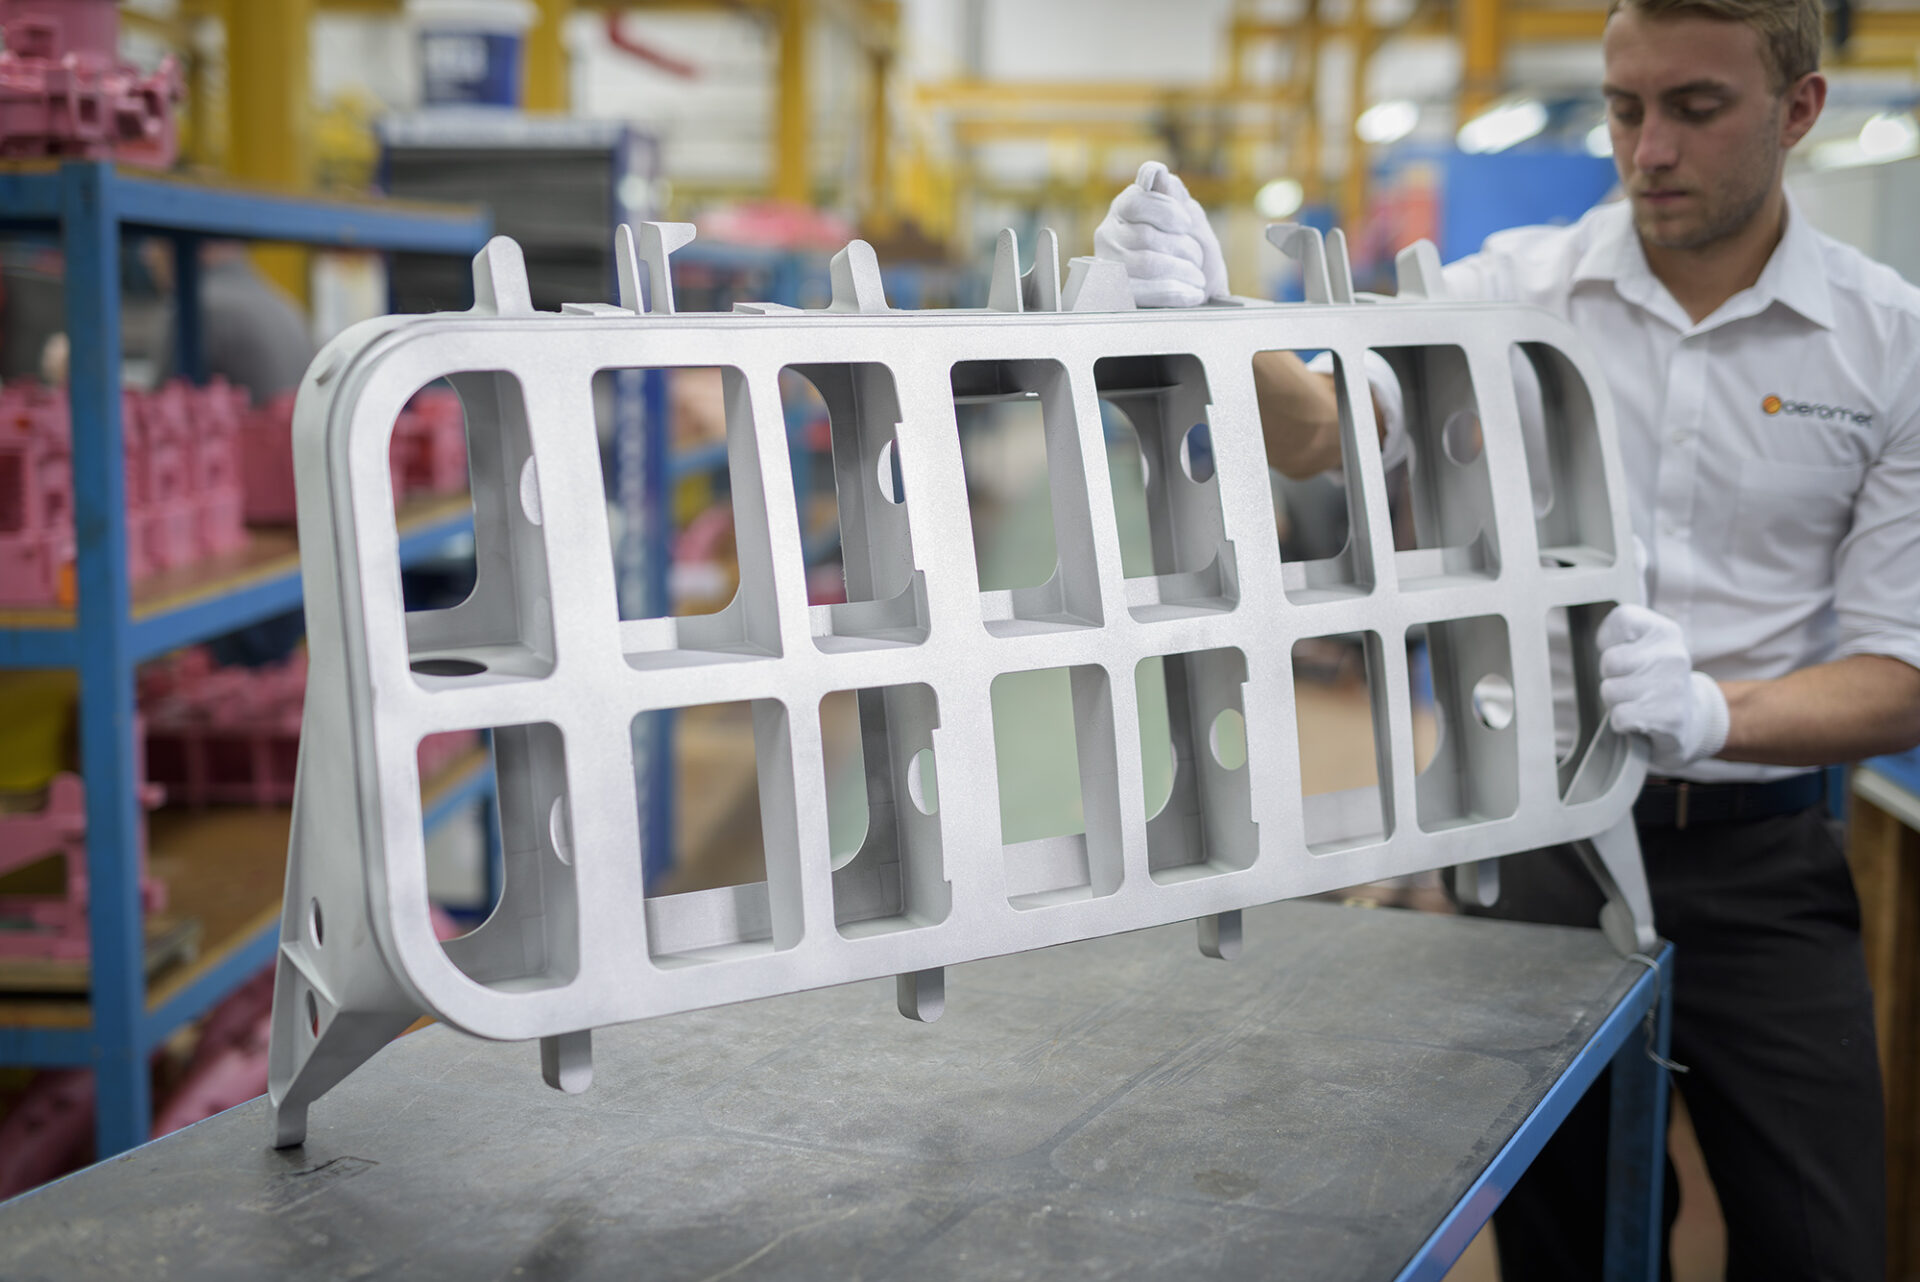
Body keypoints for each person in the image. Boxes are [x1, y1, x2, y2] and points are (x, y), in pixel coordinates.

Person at [1096, 0, 1920, 1276]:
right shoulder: (1508, 295)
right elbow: (1331, 428)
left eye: (1696, 108)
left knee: (1823, 1243)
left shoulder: (1888, 345)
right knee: (1563, 1243)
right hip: (1548, 855)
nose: (1649, 148)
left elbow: (1902, 674)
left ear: (1799, 109)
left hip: (1764, 865)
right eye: (1626, 108)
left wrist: (1716, 712)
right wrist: (1217, 325)